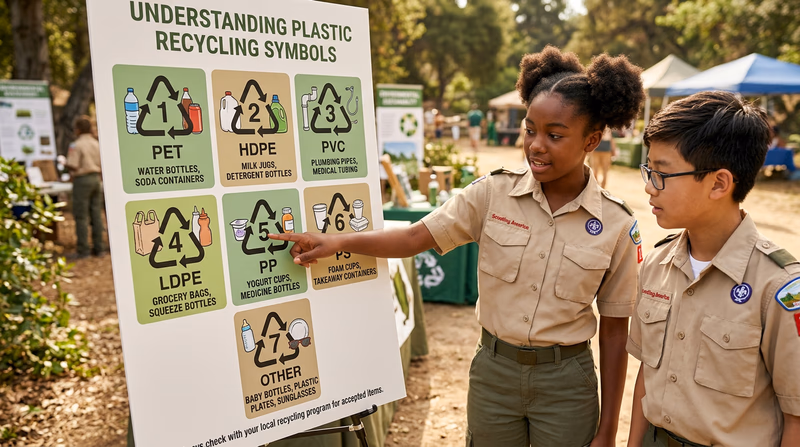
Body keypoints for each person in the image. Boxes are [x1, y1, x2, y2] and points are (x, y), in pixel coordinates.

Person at [270, 45, 646, 447]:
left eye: (555, 135)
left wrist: (608, 430)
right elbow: (415, 237)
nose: (536, 145)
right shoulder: (492, 194)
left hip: (567, 383)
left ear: (591, 141)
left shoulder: (616, 223)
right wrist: (338, 242)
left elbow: (614, 330)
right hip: (494, 375)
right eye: (529, 129)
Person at [626, 91, 800, 447]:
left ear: (719, 183)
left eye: (662, 173)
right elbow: (647, 374)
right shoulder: (657, 265)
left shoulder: (778, 285)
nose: (648, 186)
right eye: (649, 169)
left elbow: (795, 414)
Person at [65, 116, 105, 258]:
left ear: (78, 129)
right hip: (96, 179)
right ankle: (99, 248)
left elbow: (73, 164)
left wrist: (64, 163)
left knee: (81, 216)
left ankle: (83, 250)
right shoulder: (96, 143)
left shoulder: (77, 145)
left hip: (82, 180)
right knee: (96, 214)